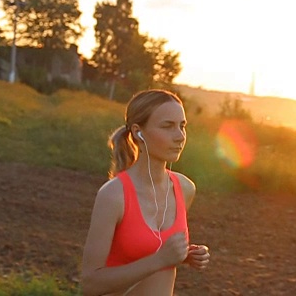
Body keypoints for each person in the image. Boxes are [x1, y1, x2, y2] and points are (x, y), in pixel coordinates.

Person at [81, 89, 210, 296]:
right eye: (168, 126)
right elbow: (90, 284)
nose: (179, 136)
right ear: (137, 132)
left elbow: (152, 249)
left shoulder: (185, 189)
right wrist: (160, 260)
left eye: (182, 126)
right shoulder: (114, 195)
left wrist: (184, 255)